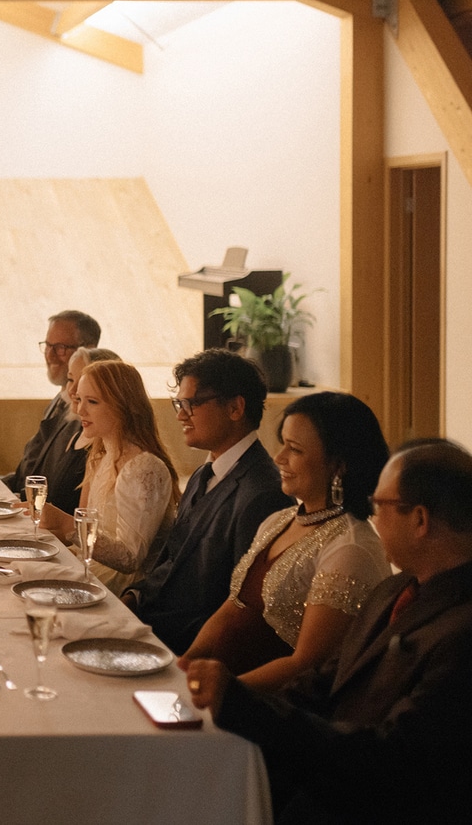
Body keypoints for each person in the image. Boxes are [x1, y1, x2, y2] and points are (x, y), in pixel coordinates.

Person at [186, 439, 472, 823]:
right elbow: (324, 681)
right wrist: (230, 701)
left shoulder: (461, 631)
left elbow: (393, 761)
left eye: (380, 506)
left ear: (419, 520)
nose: (373, 518)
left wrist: (248, 710)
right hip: (322, 784)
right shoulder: (395, 589)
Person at [178, 392, 390, 690]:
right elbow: (232, 608)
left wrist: (225, 694)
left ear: (338, 465)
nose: (279, 458)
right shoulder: (279, 520)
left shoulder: (349, 548)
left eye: (295, 449)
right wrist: (185, 662)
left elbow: (305, 664)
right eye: (283, 444)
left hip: (270, 708)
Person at [123, 349, 294, 655]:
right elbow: (172, 560)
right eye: (179, 403)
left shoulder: (263, 493)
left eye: (191, 404)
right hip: (152, 626)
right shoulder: (204, 473)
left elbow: (242, 608)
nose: (180, 415)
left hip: (188, 648)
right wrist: (132, 599)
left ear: (235, 408)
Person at [40, 360, 180, 595]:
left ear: (123, 406)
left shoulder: (144, 468)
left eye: (92, 402)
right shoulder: (101, 456)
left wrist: (67, 525)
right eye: (79, 399)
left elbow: (130, 559)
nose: (79, 410)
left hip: (125, 592)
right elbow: (87, 538)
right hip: (92, 571)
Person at [4, 310, 101, 514]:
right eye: (48, 346)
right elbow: (28, 472)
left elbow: (60, 495)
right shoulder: (59, 401)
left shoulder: (87, 421)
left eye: (61, 348)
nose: (50, 355)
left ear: (88, 349)